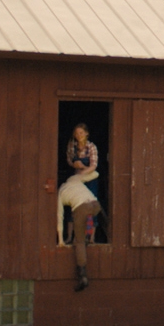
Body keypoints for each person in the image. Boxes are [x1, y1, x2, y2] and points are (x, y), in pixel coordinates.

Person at [61, 124, 102, 291]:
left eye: (81, 132)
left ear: (86, 133)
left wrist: (83, 170)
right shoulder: (72, 146)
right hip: (77, 178)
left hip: (88, 177)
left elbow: (94, 166)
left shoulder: (91, 147)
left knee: (88, 210)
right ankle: (72, 236)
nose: (78, 135)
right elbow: (69, 160)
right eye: (76, 132)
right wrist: (75, 165)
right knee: (76, 209)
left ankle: (90, 237)